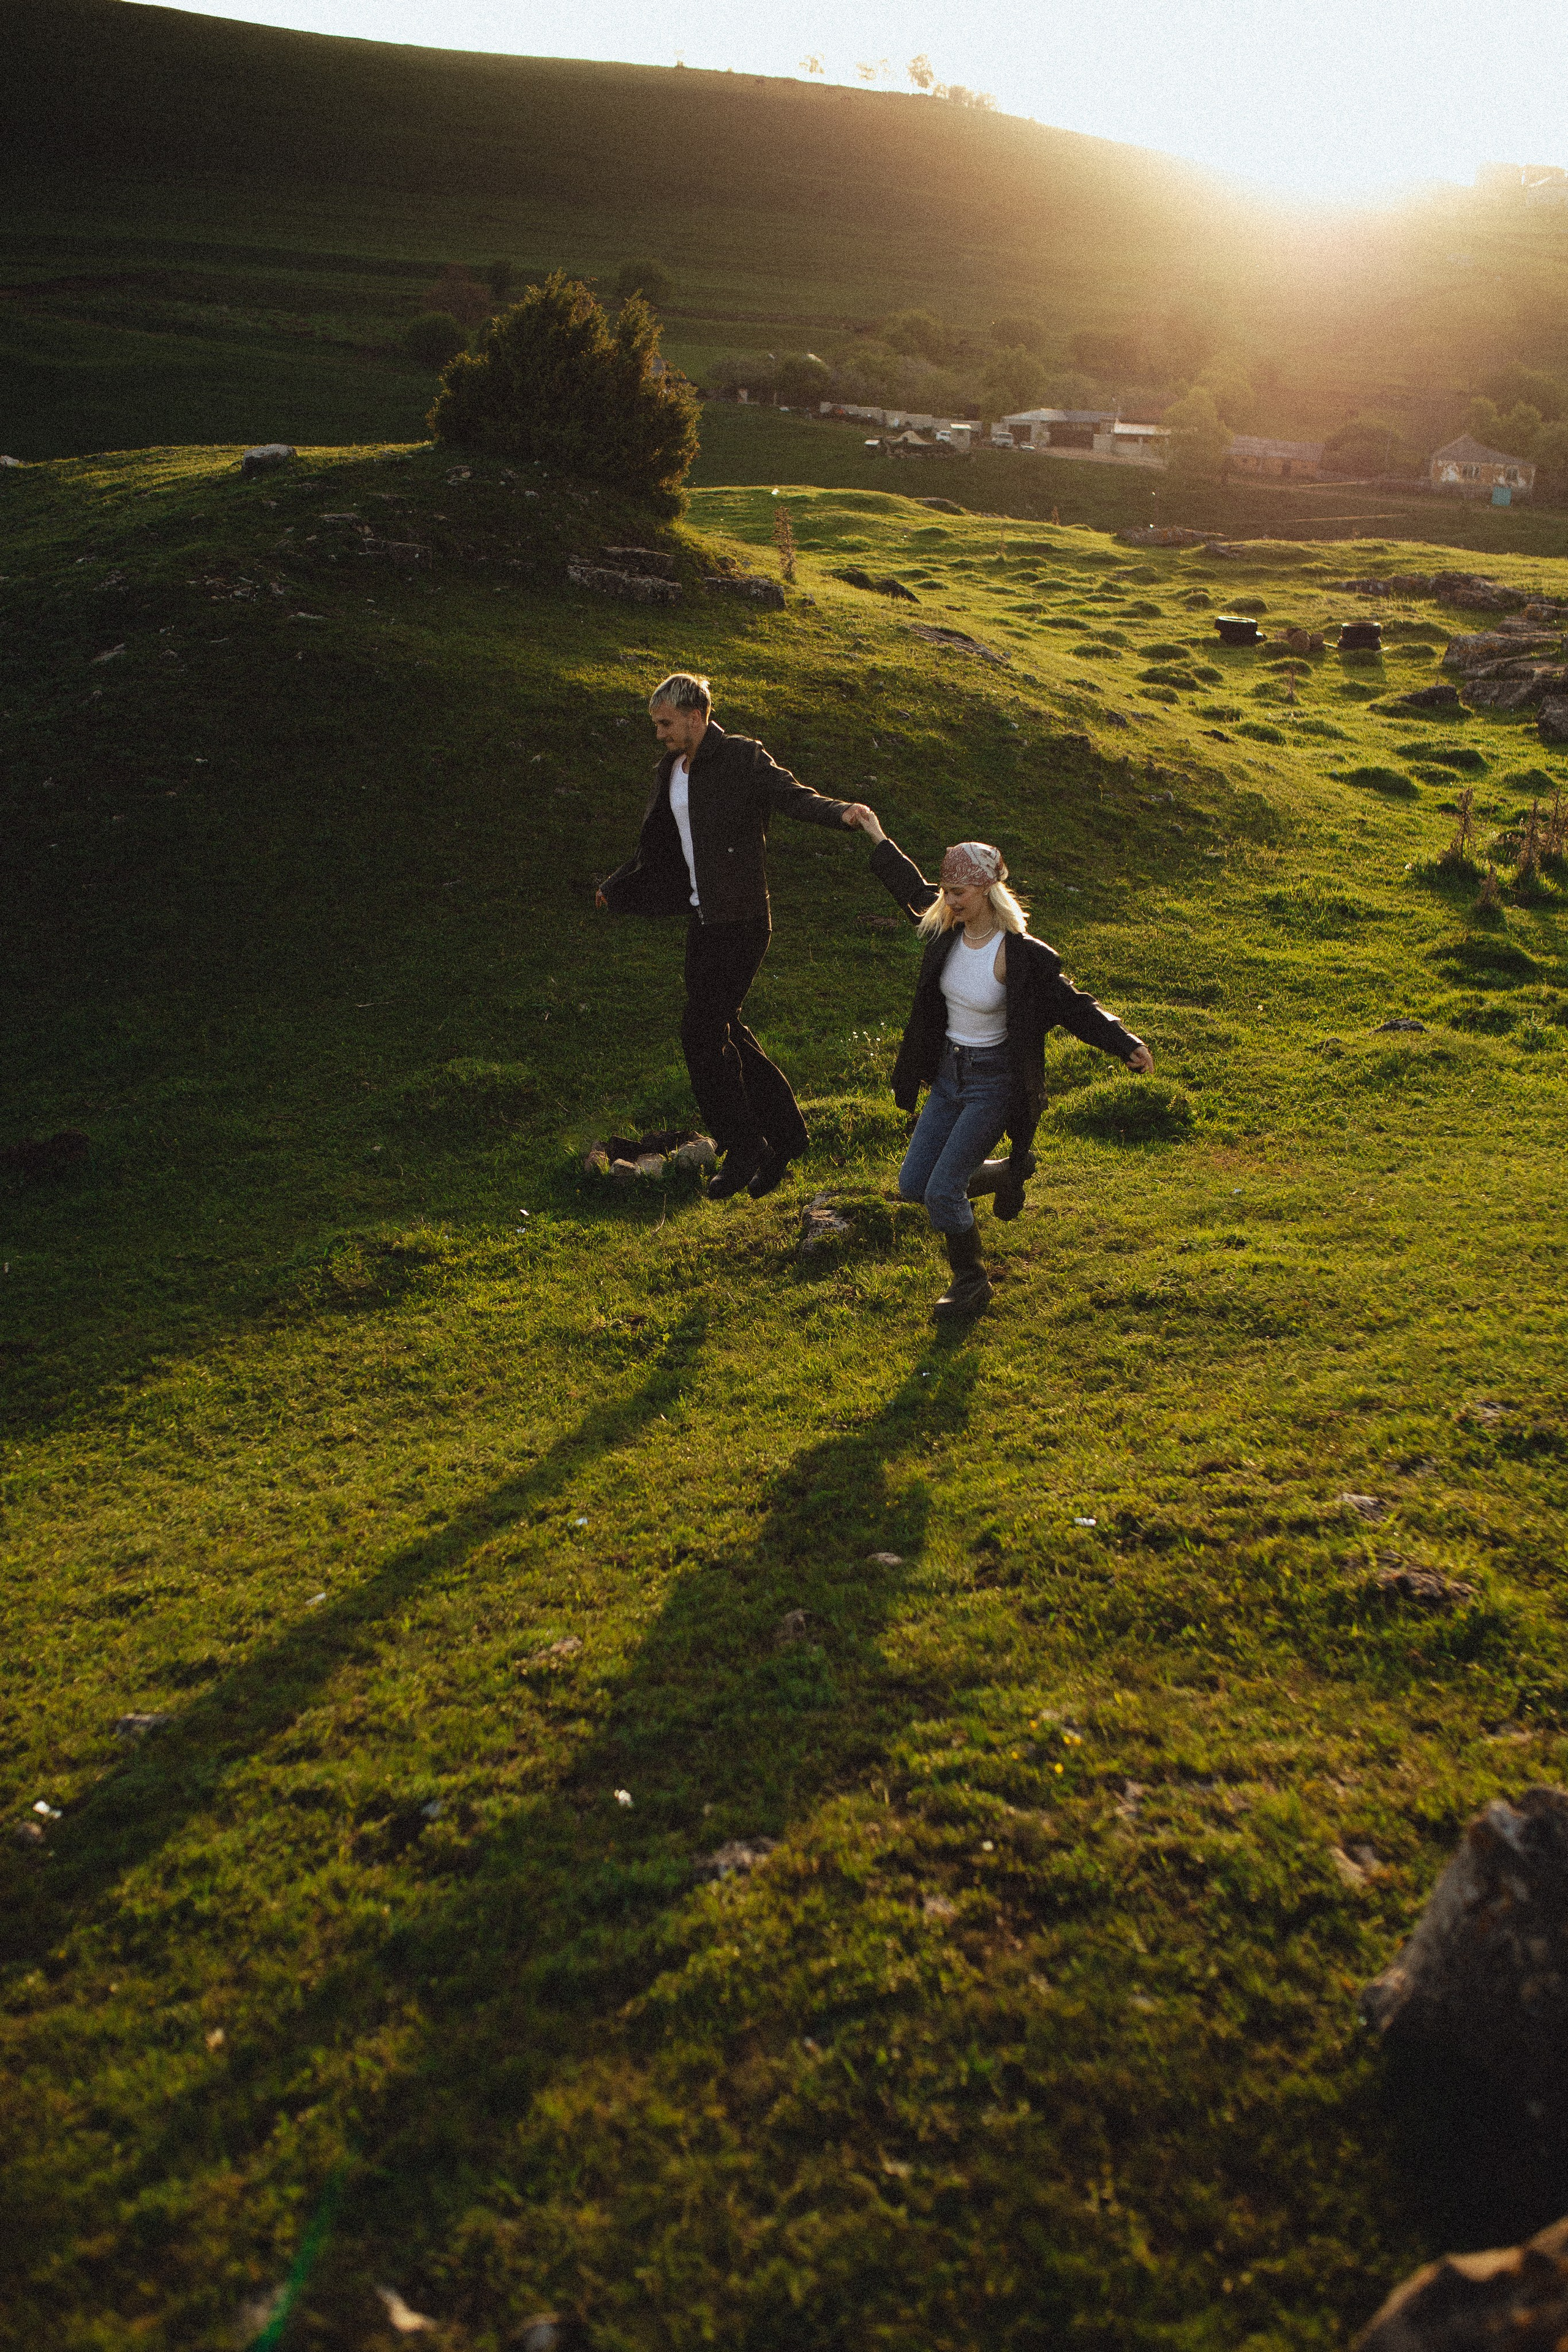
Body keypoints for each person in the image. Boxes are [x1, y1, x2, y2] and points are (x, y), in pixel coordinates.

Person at [850, 815, 1153, 1319]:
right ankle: (1006, 1174)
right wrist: (876, 837)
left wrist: (1123, 1042)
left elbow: (1073, 1005)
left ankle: (971, 1282)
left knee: (943, 1192)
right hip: (949, 1077)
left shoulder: (1021, 955)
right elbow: (907, 887)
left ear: (988, 890)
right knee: (913, 1187)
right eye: (944, 891)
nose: (948, 901)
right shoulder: (945, 933)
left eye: (958, 892)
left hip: (994, 1084)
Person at [597, 673, 875, 1200]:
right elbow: (655, 842)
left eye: (666, 723)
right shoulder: (671, 769)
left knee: (699, 1033)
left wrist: (841, 813)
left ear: (697, 715)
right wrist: (617, 886)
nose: (659, 734)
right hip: (702, 920)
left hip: (743, 921)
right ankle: (786, 1139)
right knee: (724, 1029)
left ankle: (744, 1144)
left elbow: (793, 797)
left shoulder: (743, 758)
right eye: (656, 724)